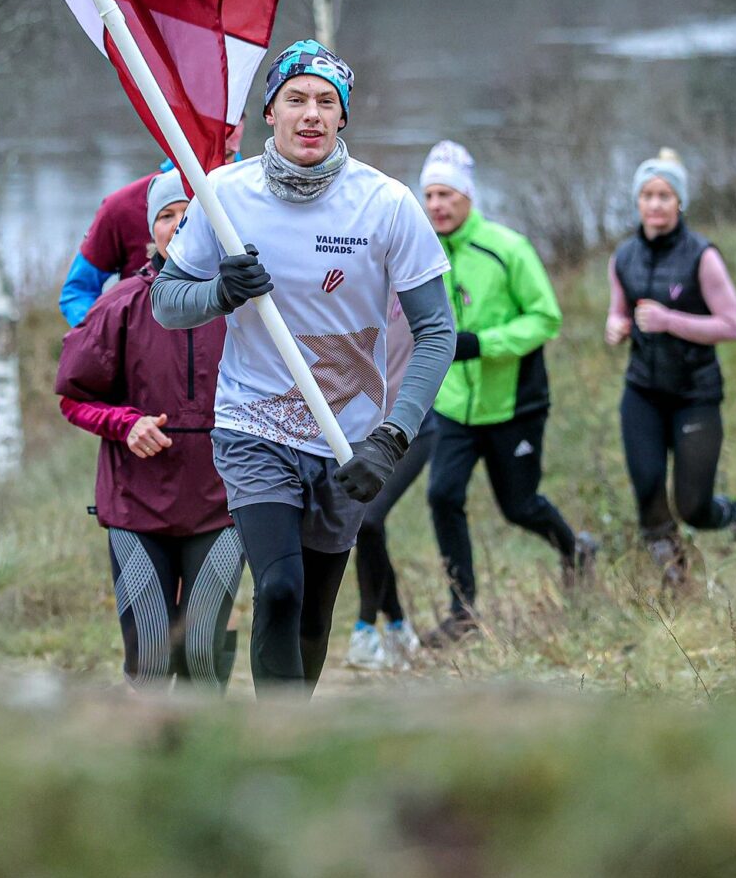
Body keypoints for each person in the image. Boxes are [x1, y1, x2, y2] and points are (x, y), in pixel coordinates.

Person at [152, 40, 455, 695]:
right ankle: (271, 748)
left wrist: (392, 437)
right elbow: (166, 305)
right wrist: (219, 293)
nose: (311, 114)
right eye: (296, 99)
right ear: (271, 111)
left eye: (326, 101)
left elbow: (436, 331)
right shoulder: (223, 197)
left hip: (350, 441)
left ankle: (290, 726)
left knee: (314, 613)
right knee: (281, 591)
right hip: (253, 425)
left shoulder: (387, 204)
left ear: (343, 117)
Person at [401, 141, 597, 646]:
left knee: (520, 506)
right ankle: (462, 610)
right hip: (453, 407)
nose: (437, 205)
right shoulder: (425, 251)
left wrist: (483, 345)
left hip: (513, 404)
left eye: (446, 194)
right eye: (430, 195)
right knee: (443, 496)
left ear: (467, 196)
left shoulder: (506, 248)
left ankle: (575, 551)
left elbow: (545, 317)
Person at [55, 170, 243, 689]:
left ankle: (207, 759)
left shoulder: (246, 305)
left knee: (203, 652)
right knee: (153, 661)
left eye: (191, 213)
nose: (179, 224)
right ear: (149, 232)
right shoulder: (117, 306)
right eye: (166, 215)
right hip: (136, 506)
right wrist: (125, 422)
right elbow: (73, 397)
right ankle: (148, 762)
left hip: (222, 503)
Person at [608, 149, 736, 590]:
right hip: (642, 390)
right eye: (647, 195)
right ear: (637, 202)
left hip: (695, 394)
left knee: (693, 505)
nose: (656, 204)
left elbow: (732, 325)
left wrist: (669, 321)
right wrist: (616, 326)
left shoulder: (702, 256)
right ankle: (677, 579)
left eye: (665, 195)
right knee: (647, 492)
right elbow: (617, 310)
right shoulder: (623, 257)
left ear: (679, 202)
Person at [344, 300, 434, 671]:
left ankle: (365, 630)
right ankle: (397, 626)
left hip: (410, 428)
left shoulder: (419, 280)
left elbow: (440, 340)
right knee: (368, 526)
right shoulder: (347, 274)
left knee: (368, 518)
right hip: (356, 427)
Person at [59, 167, 161, 326]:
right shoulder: (124, 206)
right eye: (167, 216)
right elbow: (78, 291)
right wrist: (105, 337)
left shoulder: (214, 193)